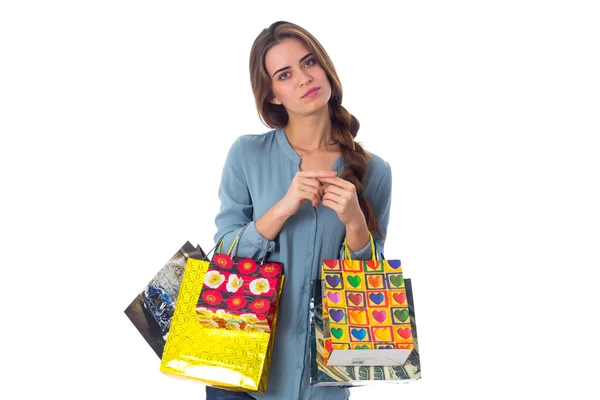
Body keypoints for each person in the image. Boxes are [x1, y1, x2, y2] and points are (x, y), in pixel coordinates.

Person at [206, 21, 393, 400]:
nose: (304, 78)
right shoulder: (247, 154)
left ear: (325, 66)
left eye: (309, 63)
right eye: (285, 74)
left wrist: (355, 223)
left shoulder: (375, 171)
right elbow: (222, 255)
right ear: (272, 94)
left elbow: (370, 290)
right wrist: (282, 209)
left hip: (322, 383)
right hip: (237, 374)